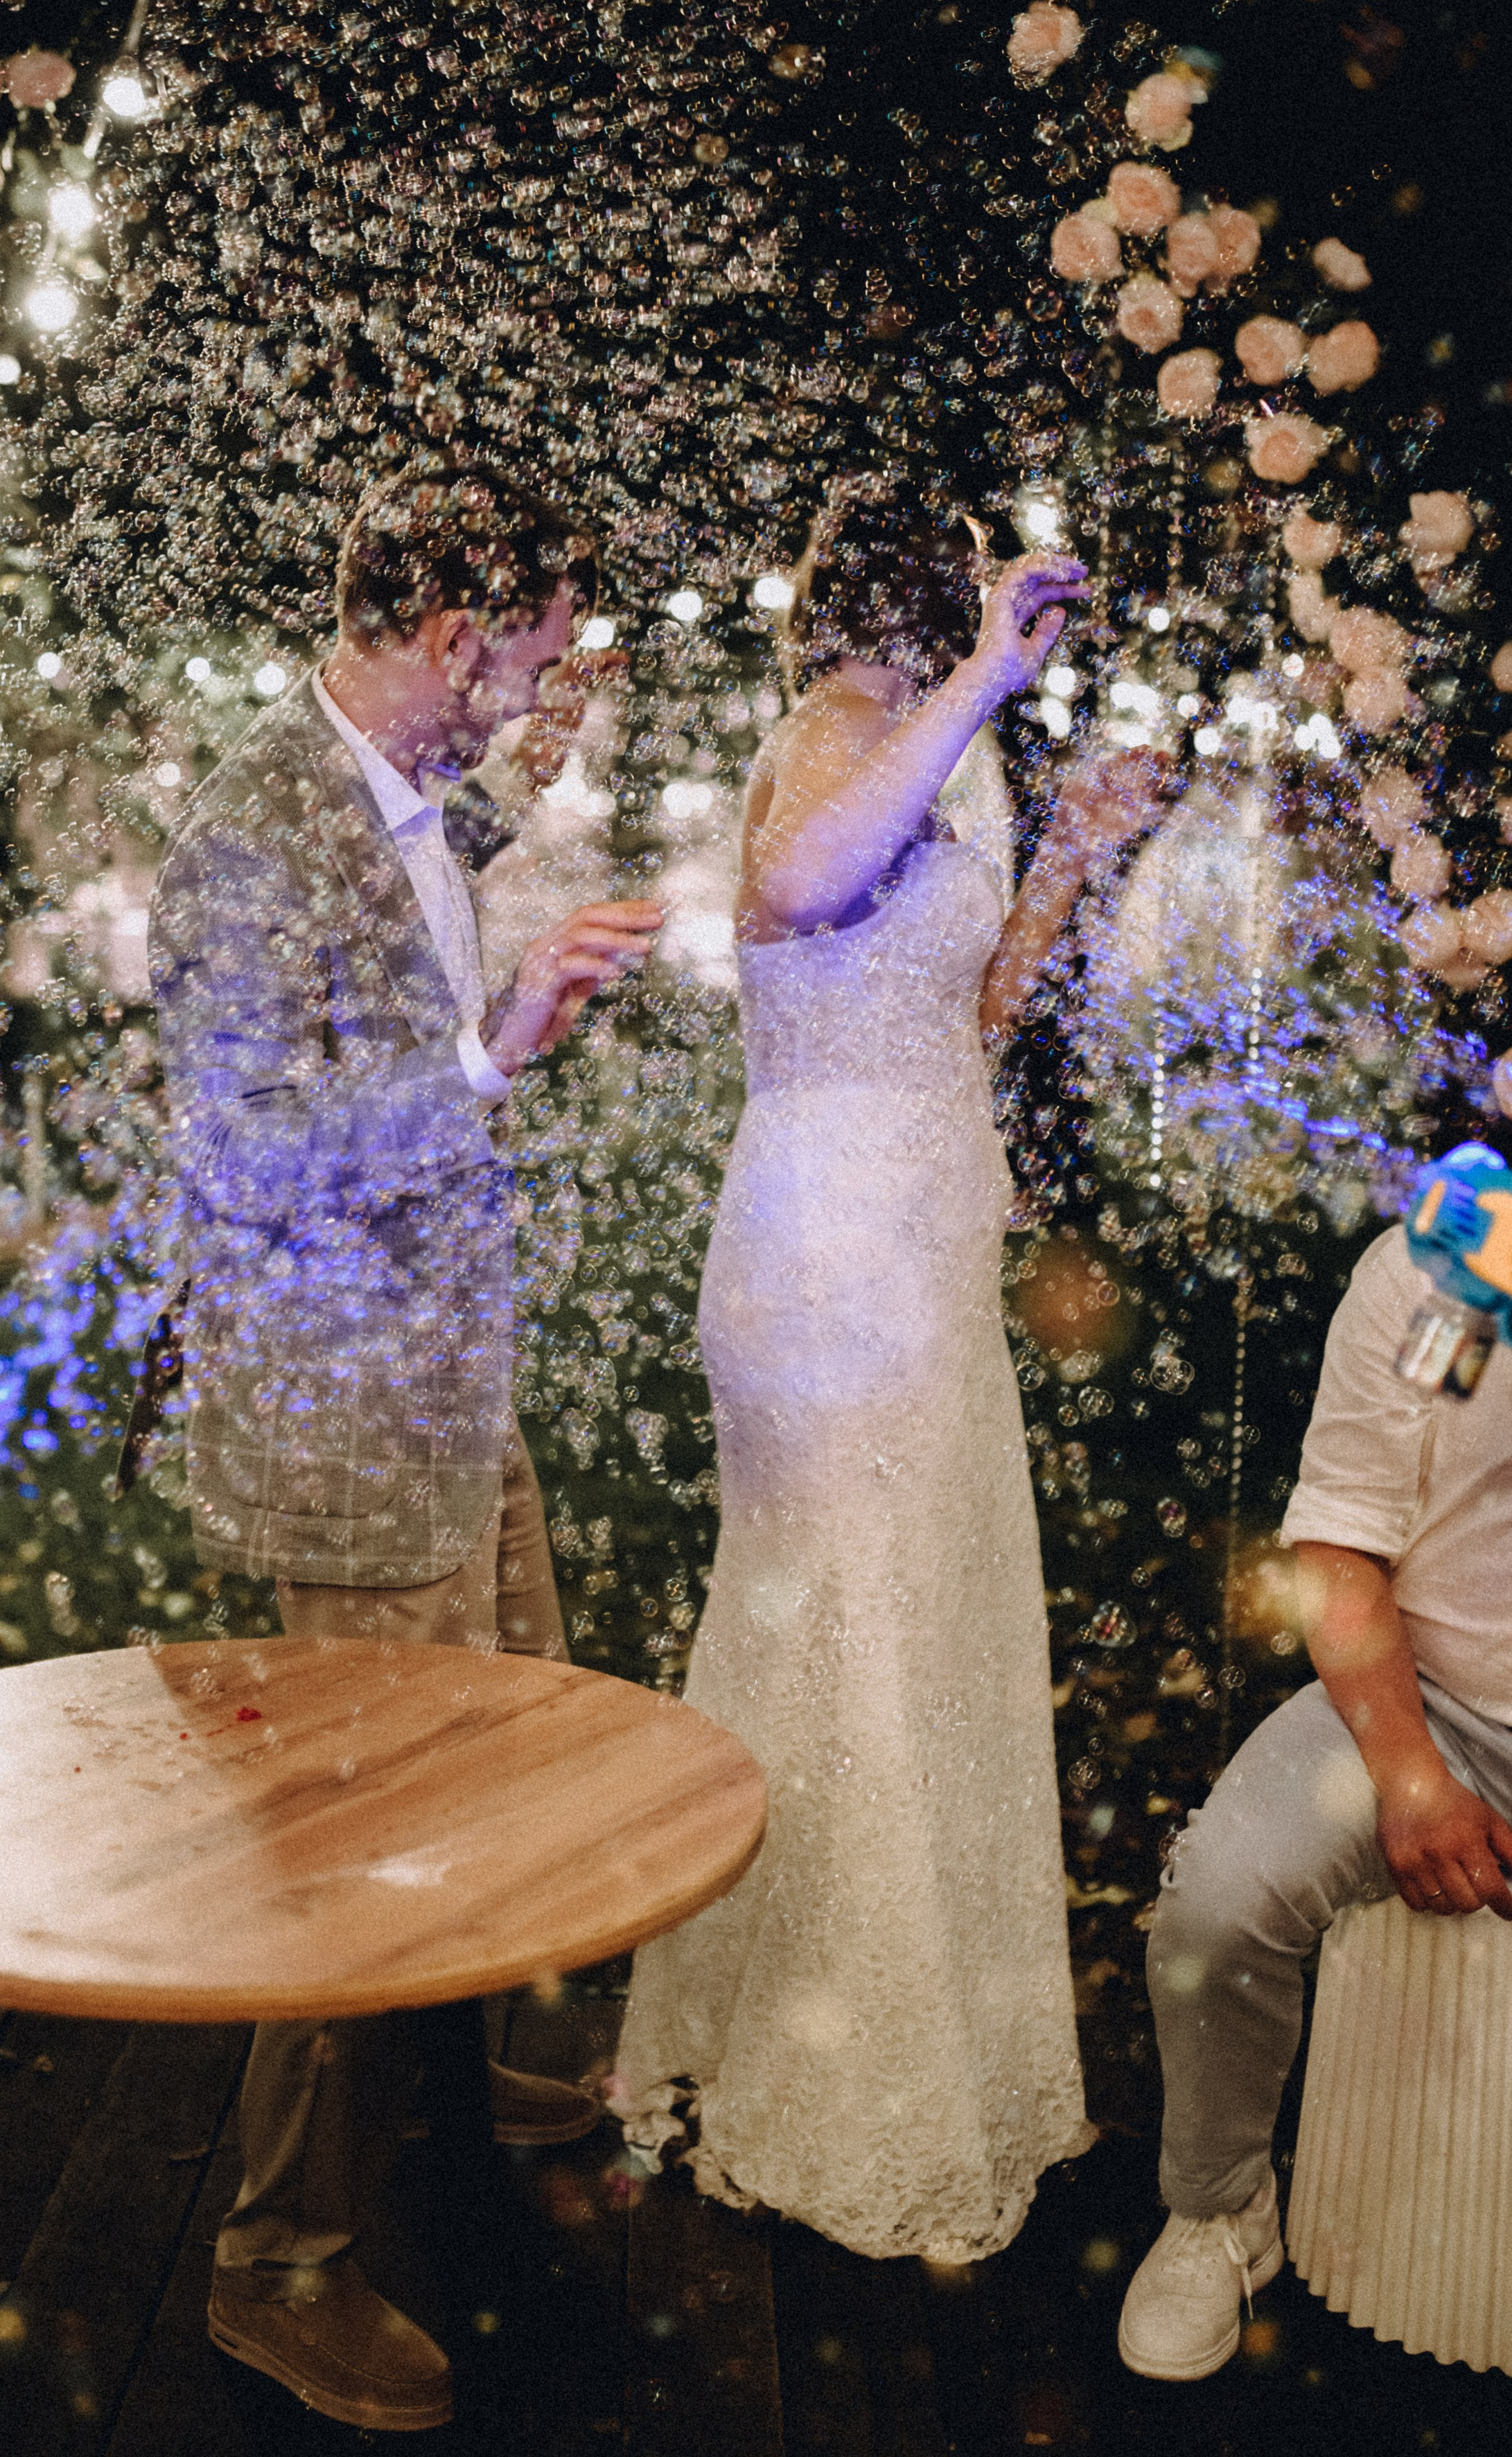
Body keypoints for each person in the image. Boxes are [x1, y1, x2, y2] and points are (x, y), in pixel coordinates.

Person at [148, 462, 662, 2431]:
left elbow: (441, 879)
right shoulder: (246, 834)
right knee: (341, 1860)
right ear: (446, 640)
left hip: (451, 1382)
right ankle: (277, 2260)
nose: (526, 687)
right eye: (514, 655)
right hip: (350, 1422)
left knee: (508, 1729)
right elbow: (258, 1158)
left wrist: (555, 756)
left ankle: (450, 2072)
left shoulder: (398, 792)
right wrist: (489, 1049)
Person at [611, 475, 1169, 2261]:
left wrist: (1073, 844)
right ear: (892, 614)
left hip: (925, 1237)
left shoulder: (954, 744)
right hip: (823, 1249)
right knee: (835, 1622)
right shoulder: (832, 733)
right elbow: (792, 882)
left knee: (918, 1623)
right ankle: (824, 2066)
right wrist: (977, 692)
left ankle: (912, 2036)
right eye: (953, 606)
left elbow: (966, 1005)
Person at [1118, 1174, 1512, 2381]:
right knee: (1221, 1902)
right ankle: (1221, 2206)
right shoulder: (1466, 1274)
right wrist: (1411, 1779)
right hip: (1436, 1700)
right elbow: (1341, 1543)